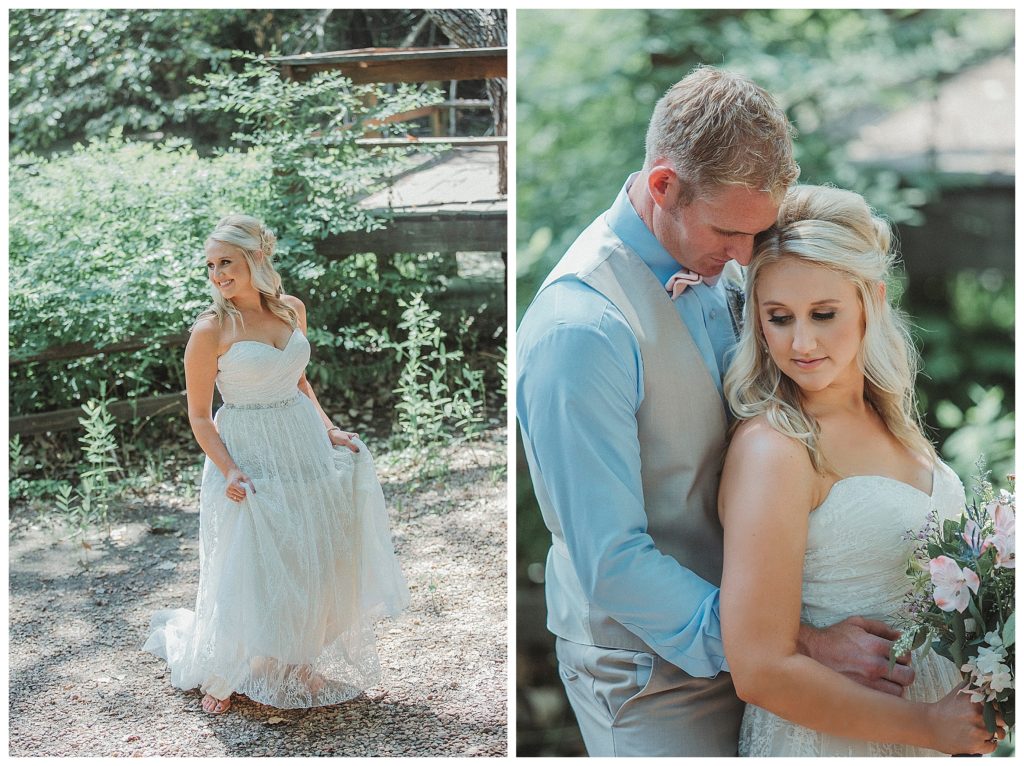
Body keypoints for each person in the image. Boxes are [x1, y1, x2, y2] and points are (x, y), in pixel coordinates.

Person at [517, 66, 921, 756]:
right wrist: (793, 643)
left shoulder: (721, 260)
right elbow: (610, 560)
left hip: (778, 662)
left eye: (757, 236)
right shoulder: (580, 331)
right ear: (664, 186)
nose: (744, 258)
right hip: (652, 680)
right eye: (729, 232)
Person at [719, 184, 1003, 756]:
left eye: (824, 314)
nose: (801, 342)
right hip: (836, 742)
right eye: (779, 318)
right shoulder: (774, 449)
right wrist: (924, 726)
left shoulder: (892, 420)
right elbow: (758, 668)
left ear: (870, 301)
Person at [143, 215, 409, 714]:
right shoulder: (211, 329)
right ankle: (226, 669)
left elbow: (300, 382)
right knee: (254, 558)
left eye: (227, 262)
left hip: (301, 440)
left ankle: (296, 659)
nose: (218, 274)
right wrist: (229, 470)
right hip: (248, 449)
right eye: (211, 265)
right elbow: (200, 416)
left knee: (310, 548)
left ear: (255, 260)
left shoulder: (291, 310)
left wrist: (328, 427)